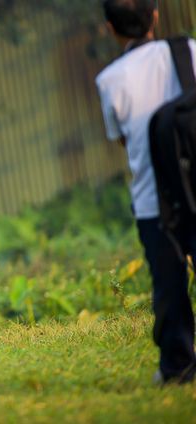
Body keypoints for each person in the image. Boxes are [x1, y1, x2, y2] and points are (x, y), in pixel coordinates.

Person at [96, 0, 196, 384]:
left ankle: (178, 365)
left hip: (154, 199)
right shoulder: (187, 50)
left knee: (169, 284)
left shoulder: (110, 80)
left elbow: (121, 139)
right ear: (155, 15)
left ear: (110, 28)